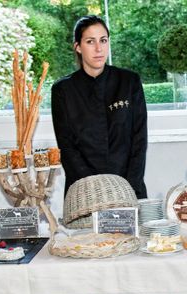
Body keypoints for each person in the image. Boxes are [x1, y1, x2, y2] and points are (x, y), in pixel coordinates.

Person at [51, 15, 148, 198]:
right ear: (78, 47)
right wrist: (96, 191)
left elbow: (139, 140)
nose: (98, 48)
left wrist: (128, 187)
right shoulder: (63, 90)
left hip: (129, 188)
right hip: (84, 192)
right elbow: (67, 147)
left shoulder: (129, 82)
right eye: (90, 41)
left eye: (103, 40)